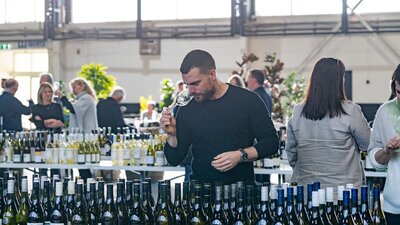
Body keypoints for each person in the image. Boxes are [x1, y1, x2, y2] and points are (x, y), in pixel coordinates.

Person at [160, 49, 279, 185]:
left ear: (212, 74)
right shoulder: (188, 107)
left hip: (240, 193)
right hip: (201, 193)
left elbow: (271, 143)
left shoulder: (248, 100)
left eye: (195, 83)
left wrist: (240, 155)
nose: (191, 91)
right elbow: (174, 160)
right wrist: (171, 135)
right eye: (187, 85)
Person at [286, 57, 370, 193]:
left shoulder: (298, 111)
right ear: (339, 81)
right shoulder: (350, 111)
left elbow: (291, 153)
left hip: (307, 190)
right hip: (344, 193)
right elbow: (368, 144)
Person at [368, 64, 400, 224]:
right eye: (399, 92)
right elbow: (374, 159)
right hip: (395, 205)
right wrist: (386, 151)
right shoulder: (385, 111)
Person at [55, 78, 97, 180]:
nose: (73, 89)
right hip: (83, 137)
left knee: (83, 165)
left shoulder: (86, 98)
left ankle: (87, 185)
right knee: (81, 164)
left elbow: (74, 109)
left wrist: (62, 97)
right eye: (72, 87)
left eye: (75, 86)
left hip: (86, 137)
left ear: (82, 86)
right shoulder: (80, 99)